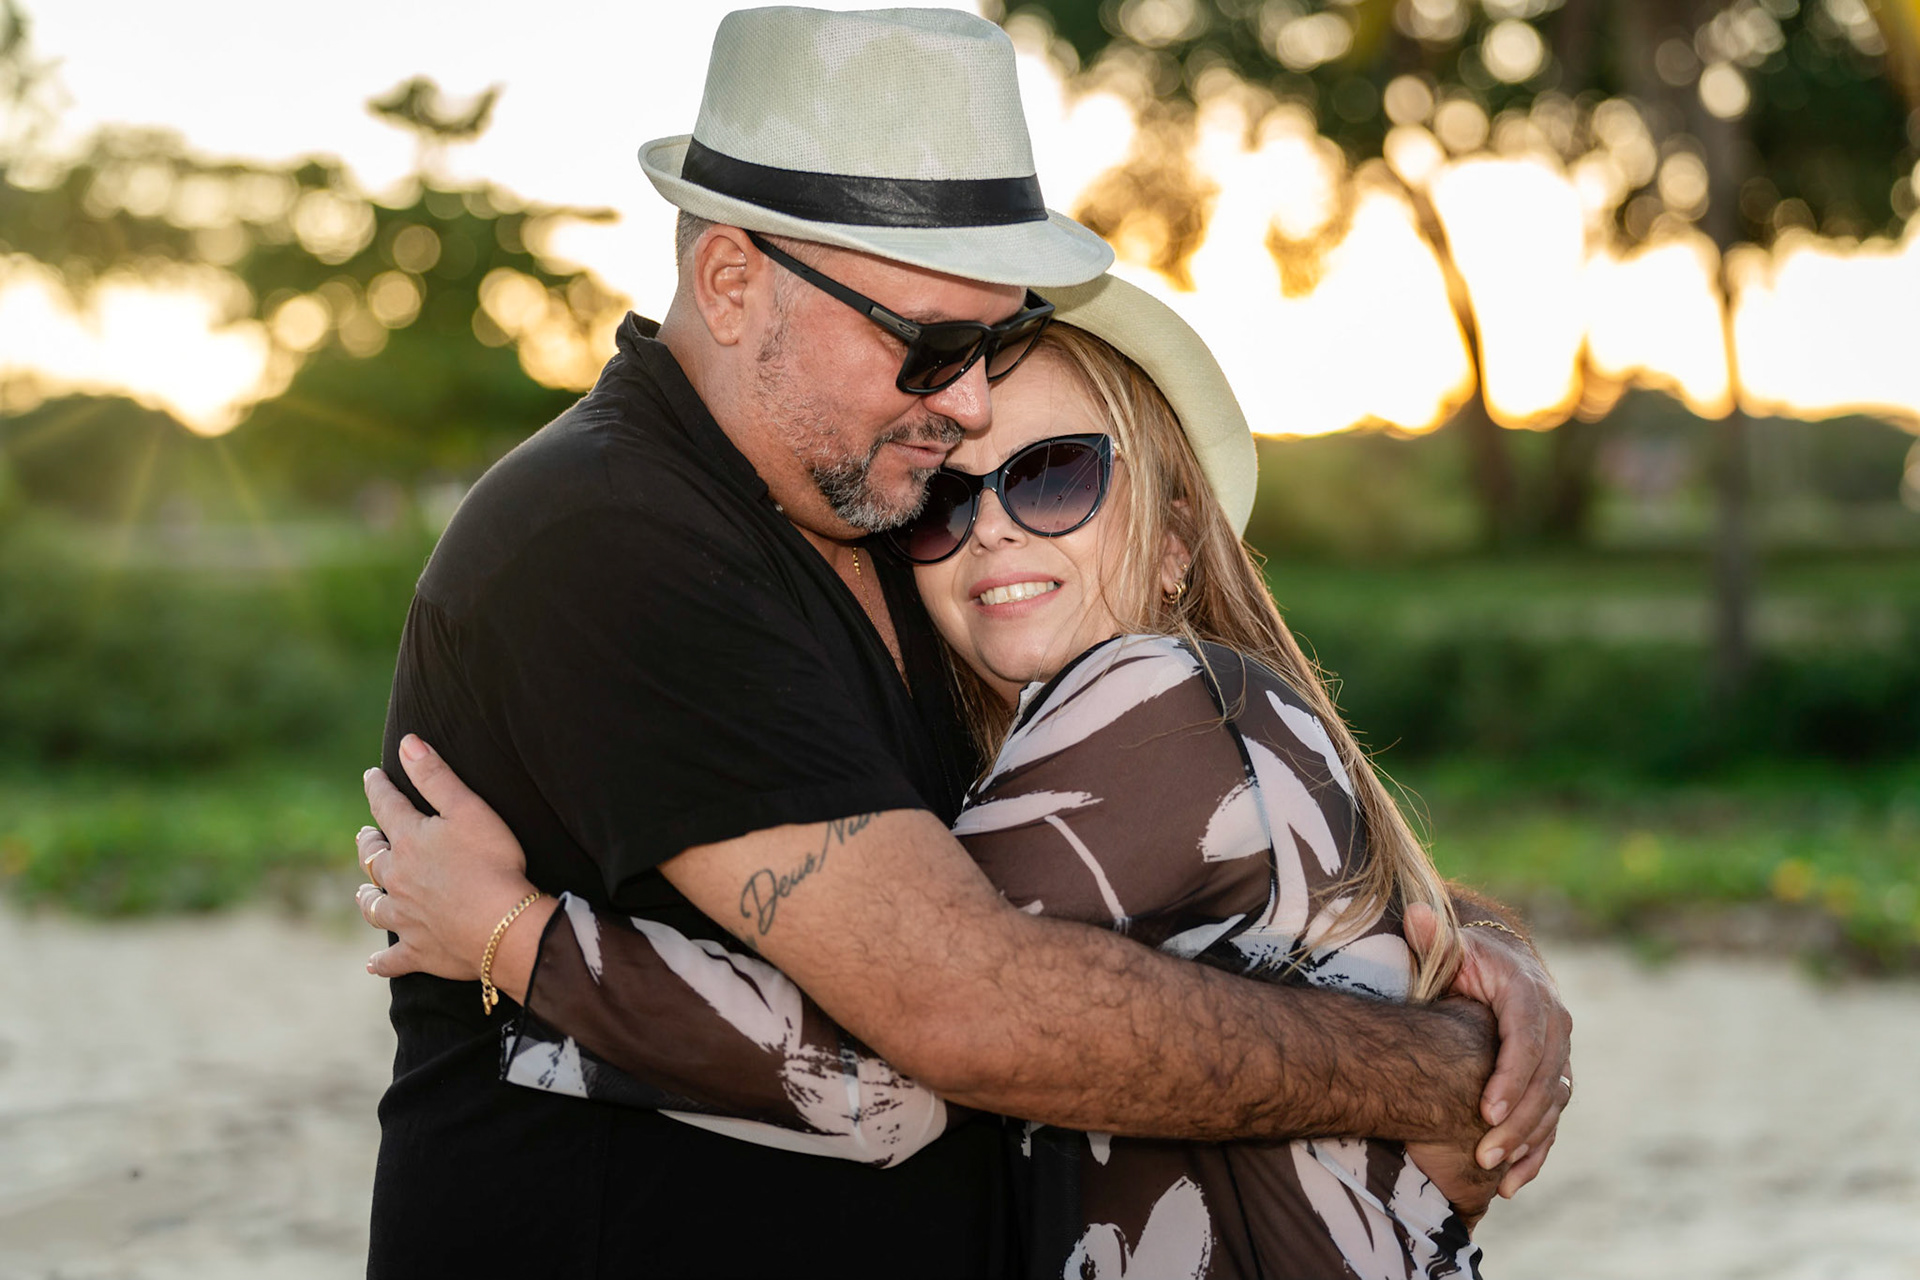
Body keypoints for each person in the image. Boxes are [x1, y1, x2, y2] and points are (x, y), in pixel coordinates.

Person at [352, 8, 1572, 1277]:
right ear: (731, 280)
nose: (968, 409)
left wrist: (1470, 982)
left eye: (1042, 455)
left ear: (1173, 534)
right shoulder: (618, 536)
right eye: (934, 346)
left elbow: (985, 1001)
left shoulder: (889, 517)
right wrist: (1435, 1043)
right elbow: (958, 1009)